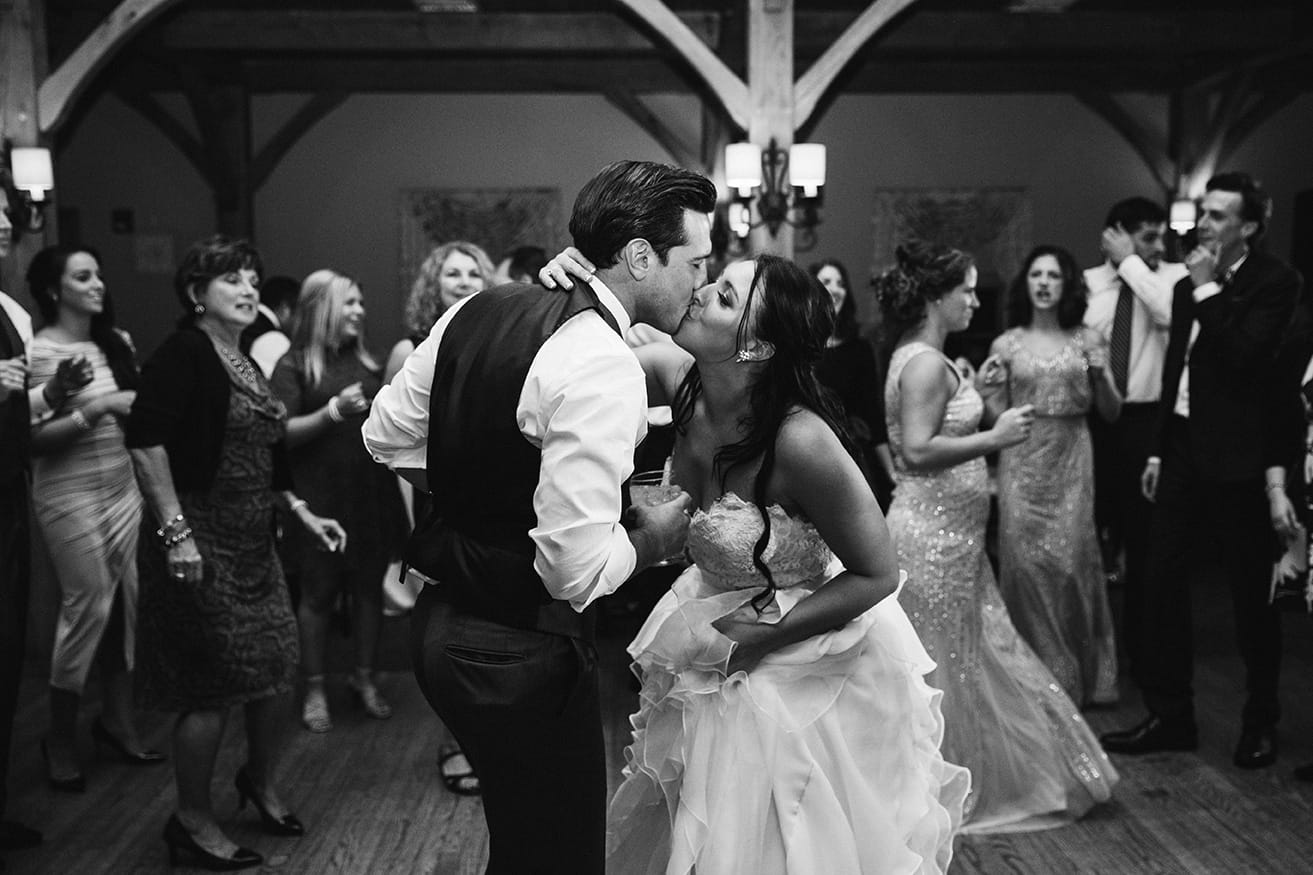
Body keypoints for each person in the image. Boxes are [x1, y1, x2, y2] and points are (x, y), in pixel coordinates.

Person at [542, 249, 970, 873]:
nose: (698, 290)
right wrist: (571, 288)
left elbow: (877, 572)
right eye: (712, 279)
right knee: (698, 802)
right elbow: (566, 367)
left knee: (774, 818)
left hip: (801, 643)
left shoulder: (800, 440)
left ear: (757, 348)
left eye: (723, 297)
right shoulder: (675, 375)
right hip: (706, 613)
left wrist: (763, 637)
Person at [364, 160, 707, 874]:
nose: (700, 282)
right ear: (640, 256)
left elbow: (384, 434)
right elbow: (573, 570)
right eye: (696, 262)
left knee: (523, 844)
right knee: (559, 858)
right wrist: (652, 539)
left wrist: (493, 487)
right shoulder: (603, 362)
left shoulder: (476, 307)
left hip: (438, 632)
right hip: (514, 650)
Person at [878, 240, 1118, 833]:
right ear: (939, 296)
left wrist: (980, 401)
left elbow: (935, 430)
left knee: (968, 656)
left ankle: (952, 775)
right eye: (967, 290)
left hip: (953, 537)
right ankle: (943, 786)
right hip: (930, 539)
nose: (975, 301)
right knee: (948, 662)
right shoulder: (926, 362)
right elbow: (916, 450)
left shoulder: (930, 356)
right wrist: (997, 435)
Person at [126, 235, 346, 871]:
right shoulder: (184, 354)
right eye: (231, 279)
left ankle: (258, 780)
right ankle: (191, 821)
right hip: (197, 541)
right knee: (211, 686)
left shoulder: (244, 359)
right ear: (197, 293)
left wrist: (302, 512)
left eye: (252, 277)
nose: (249, 288)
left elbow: (268, 451)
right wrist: (176, 534)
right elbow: (145, 442)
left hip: (254, 542)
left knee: (277, 667)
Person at [1101, 173, 1302, 769]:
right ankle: (1172, 715)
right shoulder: (1190, 283)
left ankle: (1259, 720)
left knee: (1248, 598)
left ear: (1249, 227)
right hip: (1183, 450)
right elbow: (1178, 373)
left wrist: (1211, 290)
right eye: (1204, 213)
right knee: (1159, 581)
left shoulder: (1276, 282)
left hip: (1240, 458)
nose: (1203, 224)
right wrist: (1160, 450)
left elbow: (1246, 361)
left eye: (1217, 215)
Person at [26, 245, 162, 793]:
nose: (98, 283)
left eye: (99, 273)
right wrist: (99, 408)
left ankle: (118, 722)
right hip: (68, 491)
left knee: (126, 606)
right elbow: (32, 440)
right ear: (56, 290)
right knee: (88, 605)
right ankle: (58, 737)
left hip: (122, 488)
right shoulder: (40, 352)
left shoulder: (116, 342)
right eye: (84, 276)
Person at [1, 172, 93, 866]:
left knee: (7, 653)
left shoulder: (9, 309)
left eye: (8, 211)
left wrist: (51, 393)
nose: (8, 221)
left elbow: (24, 415)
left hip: (9, 495)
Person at [270, 270, 408, 734]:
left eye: (360, 303)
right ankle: (313, 686)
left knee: (369, 591)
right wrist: (331, 412)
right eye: (349, 303)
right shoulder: (293, 367)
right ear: (322, 308)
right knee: (318, 595)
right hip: (319, 500)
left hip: (367, 495)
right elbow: (279, 435)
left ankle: (363, 679)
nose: (360, 311)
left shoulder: (368, 364)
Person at [380, 239, 495, 794]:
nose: (465, 278)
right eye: (453, 272)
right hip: (434, 497)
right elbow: (394, 449)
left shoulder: (499, 337)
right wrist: (412, 528)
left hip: (488, 497)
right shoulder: (410, 349)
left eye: (474, 270)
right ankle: (454, 742)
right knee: (449, 627)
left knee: (488, 622)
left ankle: (490, 742)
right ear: (434, 283)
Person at [983, 245, 1121, 707]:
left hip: (1072, 458)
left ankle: (1082, 677)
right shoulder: (1006, 344)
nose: (1043, 283)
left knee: (1071, 564)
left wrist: (1101, 378)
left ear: (1067, 285)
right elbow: (997, 417)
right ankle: (1032, 680)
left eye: (1054, 276)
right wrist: (987, 394)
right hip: (1022, 460)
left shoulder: (1089, 339)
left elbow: (1113, 413)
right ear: (1026, 283)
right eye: (1037, 274)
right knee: (1021, 565)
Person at [1083, 198, 1189, 678]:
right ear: (1114, 233)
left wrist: (1131, 262)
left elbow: (1172, 316)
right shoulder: (1086, 286)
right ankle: (1092, 650)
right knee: (1087, 535)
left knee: (1146, 542)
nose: (1159, 245)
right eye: (1146, 236)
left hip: (1149, 423)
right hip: (1093, 424)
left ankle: (1145, 651)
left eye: (1160, 235)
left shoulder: (1172, 279)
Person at [811, 258, 896, 509]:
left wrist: (891, 472)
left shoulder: (859, 349)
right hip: (804, 453)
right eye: (826, 282)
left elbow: (871, 413)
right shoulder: (797, 346)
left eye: (841, 283)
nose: (835, 289)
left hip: (848, 456)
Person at [384, 240, 495, 383]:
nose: (465, 282)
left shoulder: (497, 344)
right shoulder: (407, 351)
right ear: (434, 285)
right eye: (453, 274)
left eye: (474, 274)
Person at [240, 274, 300, 378]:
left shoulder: (239, 323)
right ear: (285, 309)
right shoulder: (275, 340)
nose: (299, 322)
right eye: (299, 314)